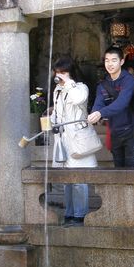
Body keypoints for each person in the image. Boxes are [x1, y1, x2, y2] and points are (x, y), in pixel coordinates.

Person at [51, 56, 96, 226]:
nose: (59, 75)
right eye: (57, 72)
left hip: (78, 138)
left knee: (79, 179)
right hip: (63, 138)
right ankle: (69, 212)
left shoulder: (80, 87)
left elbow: (79, 99)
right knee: (67, 179)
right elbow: (58, 110)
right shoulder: (57, 90)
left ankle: (81, 213)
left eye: (63, 72)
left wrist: (68, 82)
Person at [88, 46, 134, 167]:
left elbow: (122, 103)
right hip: (115, 132)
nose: (110, 64)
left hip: (132, 131)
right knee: (118, 172)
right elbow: (98, 103)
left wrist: (100, 113)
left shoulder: (129, 80)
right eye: (107, 60)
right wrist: (94, 113)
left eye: (114, 60)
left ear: (121, 61)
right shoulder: (103, 84)